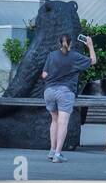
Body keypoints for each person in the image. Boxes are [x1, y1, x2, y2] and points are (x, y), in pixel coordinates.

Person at [41, 34, 96, 162]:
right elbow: (93, 61)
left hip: (49, 91)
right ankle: (58, 154)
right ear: (70, 43)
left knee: (54, 120)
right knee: (62, 123)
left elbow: (44, 75)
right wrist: (90, 46)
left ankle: (52, 150)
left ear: (59, 43)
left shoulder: (52, 55)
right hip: (65, 92)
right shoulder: (74, 56)